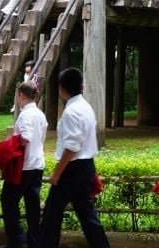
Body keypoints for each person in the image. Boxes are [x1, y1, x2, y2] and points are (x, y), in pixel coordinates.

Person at [37, 67, 109, 248]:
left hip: (71, 169)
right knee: (87, 215)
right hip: (86, 167)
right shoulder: (86, 107)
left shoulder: (71, 112)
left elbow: (71, 148)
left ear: (62, 88)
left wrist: (56, 173)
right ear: (81, 85)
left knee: (52, 214)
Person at [2, 82, 48, 248]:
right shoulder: (40, 114)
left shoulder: (25, 115)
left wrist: (12, 143)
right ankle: (33, 239)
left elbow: (26, 137)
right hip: (37, 164)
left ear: (21, 95)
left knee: (8, 200)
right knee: (32, 203)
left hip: (24, 166)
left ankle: (16, 239)